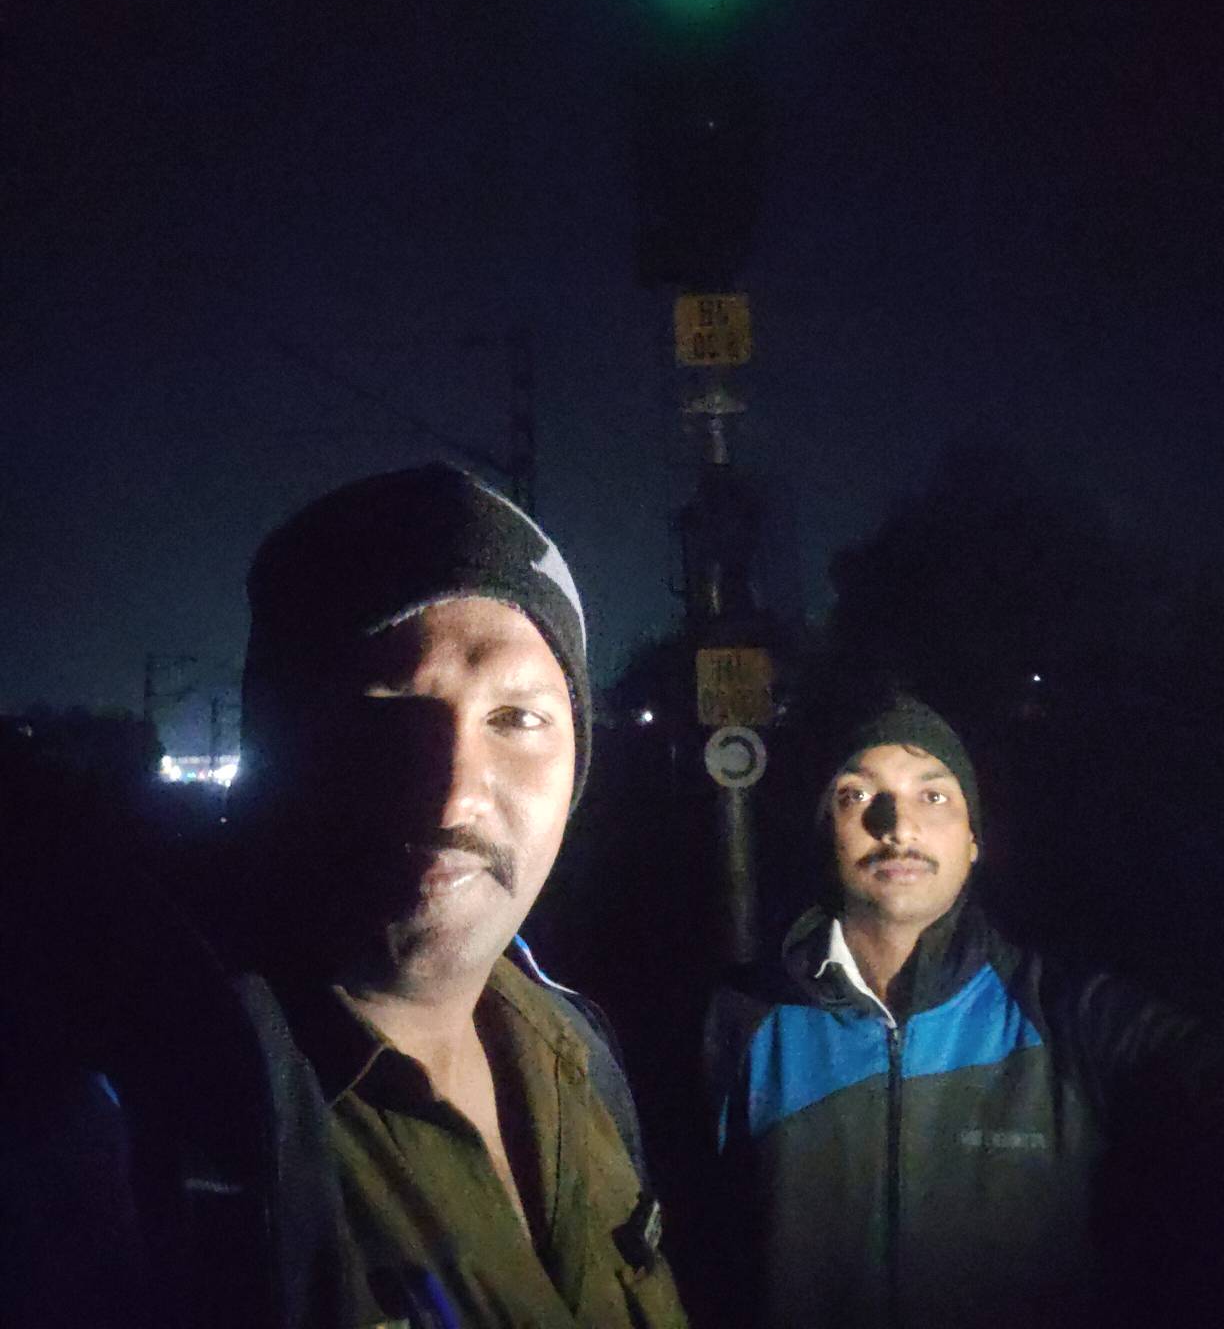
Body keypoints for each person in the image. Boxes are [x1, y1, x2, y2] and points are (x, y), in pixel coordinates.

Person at [0, 465, 689, 1329]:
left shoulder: (579, 1056)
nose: (453, 796)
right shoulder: (124, 1138)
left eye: (518, 719)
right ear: (283, 749)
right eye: (386, 711)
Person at [708, 692, 1224, 1329]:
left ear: (973, 840)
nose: (898, 826)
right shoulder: (740, 1022)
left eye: (933, 796)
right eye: (857, 795)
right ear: (825, 830)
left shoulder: (1065, 1017)